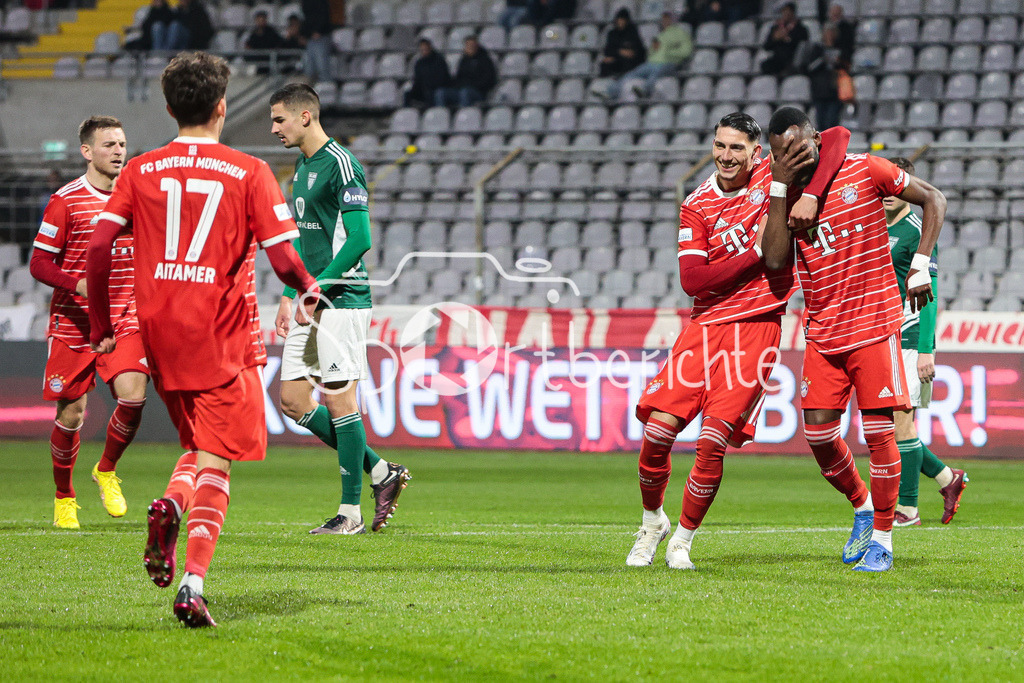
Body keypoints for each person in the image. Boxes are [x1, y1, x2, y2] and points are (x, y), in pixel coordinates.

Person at [86, 52, 318, 627]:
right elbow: (283, 255)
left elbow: (96, 248)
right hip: (221, 338)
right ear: (221, 107)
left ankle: (172, 510)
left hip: (159, 335)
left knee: (200, 448)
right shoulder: (249, 171)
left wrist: (100, 326)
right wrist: (309, 287)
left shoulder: (139, 170)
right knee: (219, 462)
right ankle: (190, 580)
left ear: (168, 107)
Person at [627, 113, 850, 570]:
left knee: (712, 442)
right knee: (656, 433)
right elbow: (693, 280)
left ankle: (682, 540)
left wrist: (808, 194)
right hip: (703, 330)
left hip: (758, 328)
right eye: (720, 146)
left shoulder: (774, 174)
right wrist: (760, 253)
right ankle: (653, 521)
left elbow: (839, 137)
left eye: (737, 149)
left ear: (757, 152)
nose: (726, 157)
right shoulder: (698, 203)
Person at [762, 106, 947, 572]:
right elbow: (776, 261)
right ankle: (863, 508)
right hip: (823, 331)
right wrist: (782, 187)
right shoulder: (783, 187)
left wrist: (922, 265)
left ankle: (884, 538)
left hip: (874, 325)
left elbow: (935, 199)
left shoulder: (866, 169)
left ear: (815, 138)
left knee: (879, 432)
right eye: (779, 153)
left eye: (796, 147)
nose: (789, 157)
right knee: (820, 435)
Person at [270, 83, 411, 535]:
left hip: (343, 297)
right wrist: (292, 293)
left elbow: (361, 240)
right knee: (292, 399)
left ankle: (349, 514)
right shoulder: (303, 166)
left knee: (338, 399)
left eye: (279, 120)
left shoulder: (344, 165)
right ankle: (382, 472)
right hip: (312, 297)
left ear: (305, 116)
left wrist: (316, 288)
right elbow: (304, 240)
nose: (274, 128)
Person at [29, 116, 149, 530]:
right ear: (87, 151)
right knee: (72, 414)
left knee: (133, 398)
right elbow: (39, 263)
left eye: (122, 143)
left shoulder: (137, 198)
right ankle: (65, 497)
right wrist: (75, 283)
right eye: (109, 145)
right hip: (74, 324)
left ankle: (107, 469)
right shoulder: (66, 200)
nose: (119, 151)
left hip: (123, 318)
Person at [884, 157, 968, 527]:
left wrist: (926, 350)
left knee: (902, 422)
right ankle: (949, 479)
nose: (887, 194)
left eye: (895, 187)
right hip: (883, 335)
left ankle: (908, 509)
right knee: (891, 423)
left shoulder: (919, 229)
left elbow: (929, 291)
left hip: (911, 334)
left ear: (907, 188)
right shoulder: (874, 226)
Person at [594, 11, 691, 100]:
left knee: (656, 74)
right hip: (651, 63)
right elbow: (652, 52)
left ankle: (645, 90)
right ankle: (611, 92)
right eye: (663, 19)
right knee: (631, 74)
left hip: (669, 63)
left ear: (672, 20)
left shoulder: (680, 33)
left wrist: (669, 54)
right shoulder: (659, 36)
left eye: (667, 19)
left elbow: (686, 50)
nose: (664, 21)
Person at [434, 35, 498, 107]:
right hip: (461, 89)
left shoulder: (485, 60)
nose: (471, 47)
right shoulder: (463, 60)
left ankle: (463, 114)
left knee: (465, 93)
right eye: (468, 45)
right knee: (440, 93)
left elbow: (488, 80)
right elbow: (459, 77)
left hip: (478, 92)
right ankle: (442, 114)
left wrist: (472, 85)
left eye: (473, 45)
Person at [802, 23, 843, 131]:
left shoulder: (840, 49)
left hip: (835, 91)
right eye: (828, 33)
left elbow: (845, 66)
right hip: (820, 91)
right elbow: (810, 67)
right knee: (821, 122)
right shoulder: (817, 49)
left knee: (832, 121)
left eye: (832, 33)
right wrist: (823, 59)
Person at [760, 2, 808, 76]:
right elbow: (766, 46)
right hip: (777, 60)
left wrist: (787, 39)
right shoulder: (775, 28)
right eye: (784, 11)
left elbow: (803, 45)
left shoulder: (801, 28)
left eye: (789, 11)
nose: (786, 13)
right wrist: (775, 39)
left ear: (793, 13)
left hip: (792, 59)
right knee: (765, 65)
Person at [403, 39, 452, 108]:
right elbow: (417, 80)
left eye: (426, 48)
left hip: (436, 89)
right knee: (407, 94)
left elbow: (443, 79)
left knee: (431, 93)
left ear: (430, 47)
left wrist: (428, 86)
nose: (424, 50)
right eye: (422, 48)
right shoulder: (419, 63)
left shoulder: (439, 61)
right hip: (423, 90)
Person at [598, 7, 645, 78]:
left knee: (628, 63)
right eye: (619, 19)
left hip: (631, 61)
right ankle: (603, 84)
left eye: (623, 20)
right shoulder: (612, 33)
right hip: (617, 59)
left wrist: (627, 53)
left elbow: (637, 50)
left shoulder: (632, 32)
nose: (621, 22)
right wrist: (620, 52)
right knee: (605, 63)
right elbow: (608, 50)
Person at [301, 0, 333, 82]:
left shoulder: (322, 2)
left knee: (322, 66)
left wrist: (319, 31)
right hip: (310, 37)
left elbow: (324, 16)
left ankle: (326, 88)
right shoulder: (305, 2)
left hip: (321, 36)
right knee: (309, 69)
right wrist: (304, 34)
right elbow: (306, 18)